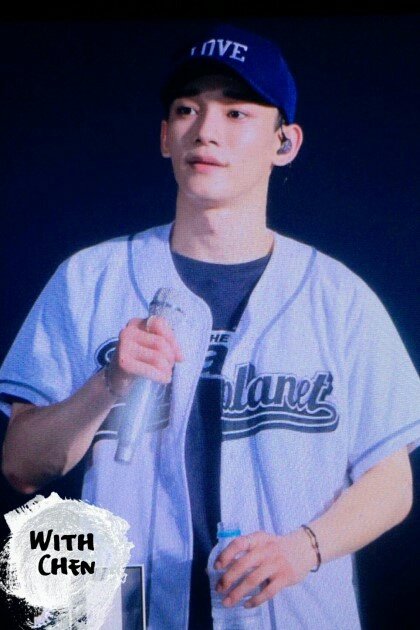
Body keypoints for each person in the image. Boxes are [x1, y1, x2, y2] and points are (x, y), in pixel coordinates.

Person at [0, 23, 419, 630]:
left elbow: (391, 483)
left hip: (288, 614)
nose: (206, 130)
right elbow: (22, 465)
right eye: (187, 109)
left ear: (285, 142)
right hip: (124, 613)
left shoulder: (339, 299)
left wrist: (303, 548)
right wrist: (107, 384)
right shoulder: (90, 279)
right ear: (164, 136)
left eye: (237, 112)